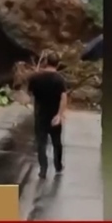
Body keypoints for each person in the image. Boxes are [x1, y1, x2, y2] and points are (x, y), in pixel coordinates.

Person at [25, 50, 68, 179]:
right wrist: (59, 114)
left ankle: (43, 169)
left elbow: (29, 94)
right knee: (56, 142)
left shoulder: (35, 78)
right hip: (54, 115)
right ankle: (58, 165)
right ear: (57, 64)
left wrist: (33, 105)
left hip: (40, 114)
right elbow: (63, 97)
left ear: (46, 62)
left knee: (41, 143)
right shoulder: (60, 80)